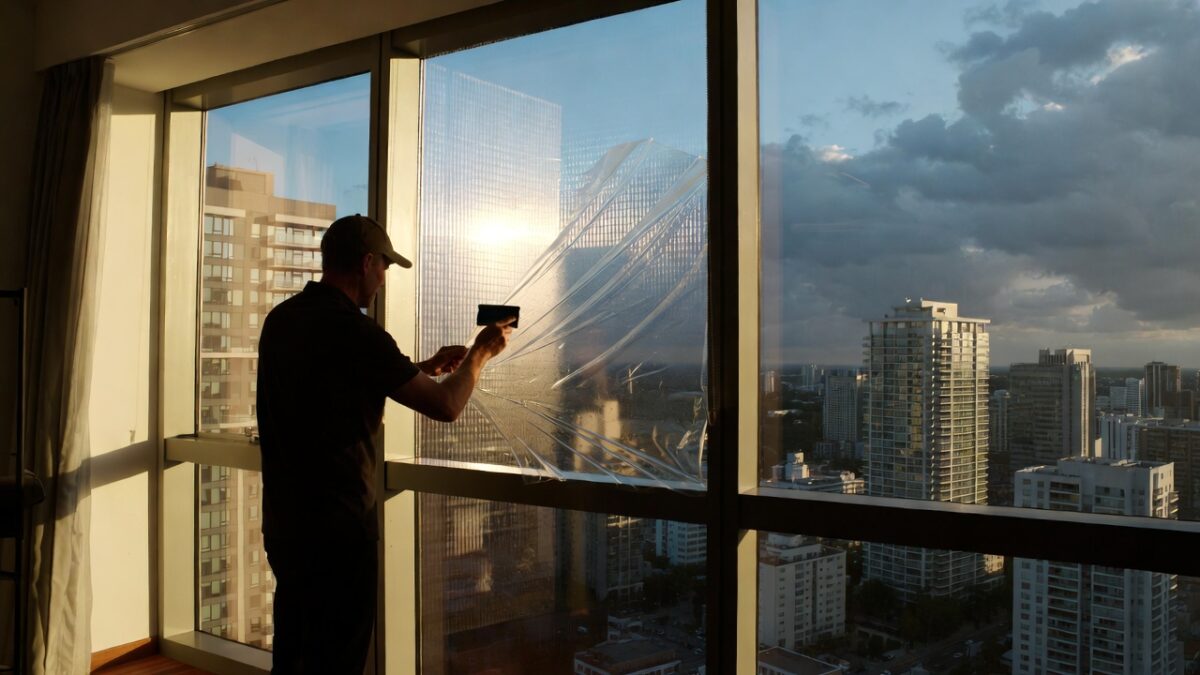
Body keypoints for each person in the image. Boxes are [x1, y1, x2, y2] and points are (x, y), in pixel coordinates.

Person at [256, 213, 513, 673]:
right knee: (337, 660)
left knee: (294, 651)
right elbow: (446, 406)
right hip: (338, 533)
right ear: (366, 263)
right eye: (384, 267)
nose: (382, 279)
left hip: (286, 524)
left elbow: (329, 383)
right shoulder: (358, 333)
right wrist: (481, 353)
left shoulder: (283, 320)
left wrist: (418, 369)